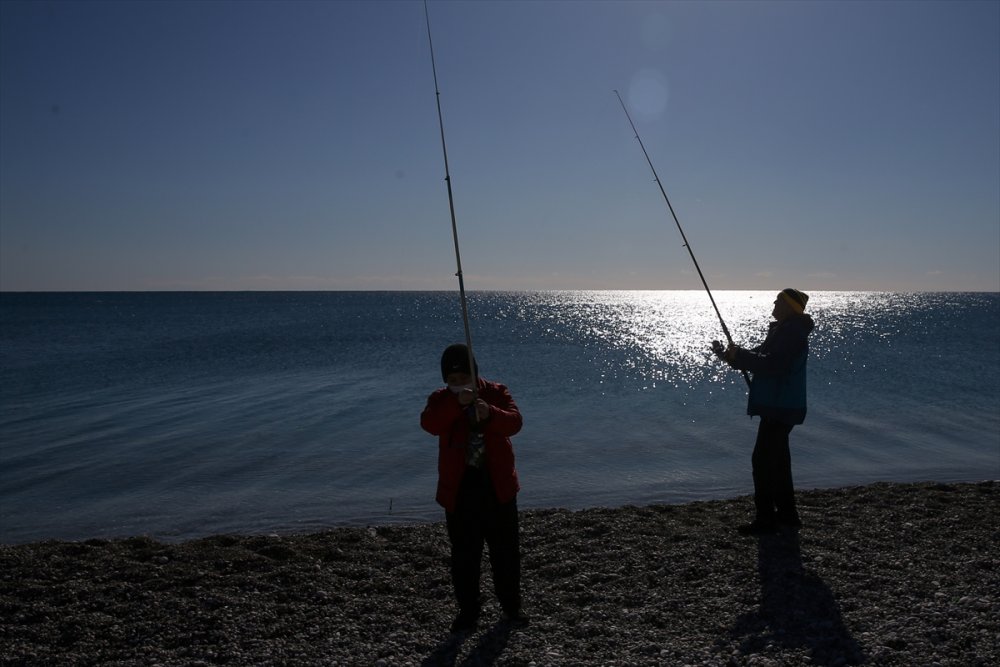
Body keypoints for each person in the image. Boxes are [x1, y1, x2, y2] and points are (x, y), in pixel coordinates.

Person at [420, 343, 527, 633]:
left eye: (463, 379)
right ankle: (468, 610)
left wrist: (488, 413)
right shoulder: (441, 399)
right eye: (452, 381)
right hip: (460, 490)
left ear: (474, 374)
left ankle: (511, 608)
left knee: (505, 552)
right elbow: (429, 424)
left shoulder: (495, 392)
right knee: (464, 555)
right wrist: (458, 404)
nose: (458, 385)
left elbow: (515, 423)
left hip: (498, 487)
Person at [713, 288, 815, 536]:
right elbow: (760, 357)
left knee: (762, 462)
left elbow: (773, 365)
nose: (774, 302)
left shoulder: (792, 334)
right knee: (778, 462)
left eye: (779, 300)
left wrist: (743, 356)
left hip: (780, 405)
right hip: (779, 405)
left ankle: (766, 520)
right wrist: (729, 356)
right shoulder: (784, 331)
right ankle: (788, 516)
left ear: (790, 306)